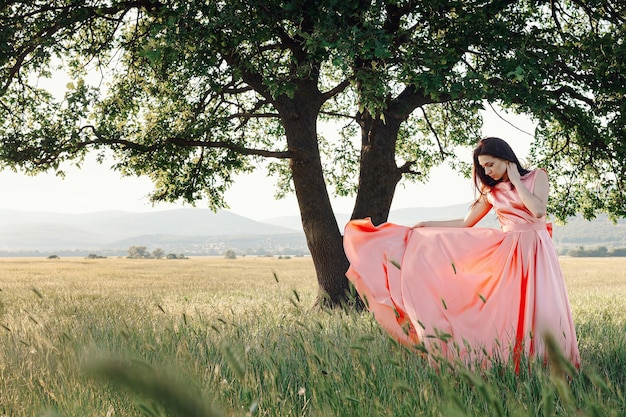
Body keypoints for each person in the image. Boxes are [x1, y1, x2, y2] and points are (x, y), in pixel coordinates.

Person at [343, 137, 580, 371]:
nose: (487, 172)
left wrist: (516, 180)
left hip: (538, 248)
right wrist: (428, 224)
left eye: (490, 164)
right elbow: (467, 222)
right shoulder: (491, 192)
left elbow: (538, 211)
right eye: (483, 167)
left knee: (544, 304)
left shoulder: (537, 176)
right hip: (510, 254)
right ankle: (517, 360)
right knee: (511, 309)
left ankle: (548, 360)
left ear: (506, 158)